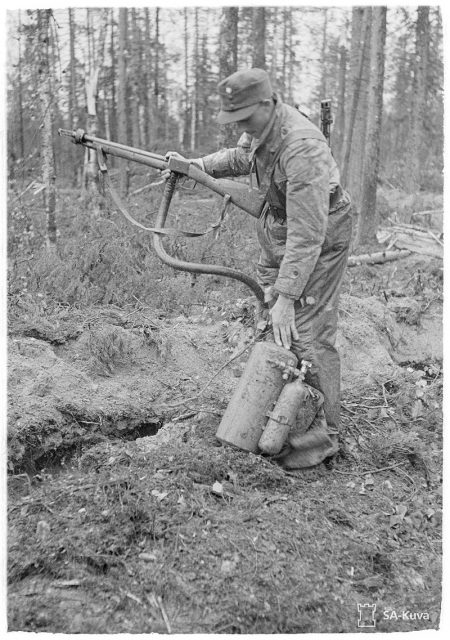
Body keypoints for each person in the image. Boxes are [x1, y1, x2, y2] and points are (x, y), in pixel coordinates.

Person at [164, 68, 352, 469]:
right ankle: (276, 416)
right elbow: (239, 157)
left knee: (308, 331)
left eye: (246, 118)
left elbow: (308, 235)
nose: (241, 127)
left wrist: (288, 296)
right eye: (236, 120)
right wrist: (197, 165)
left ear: (268, 104)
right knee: (278, 324)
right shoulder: (261, 128)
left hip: (317, 232)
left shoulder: (302, 148)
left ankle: (319, 441)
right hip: (280, 223)